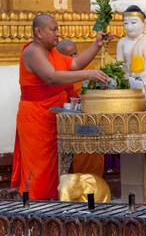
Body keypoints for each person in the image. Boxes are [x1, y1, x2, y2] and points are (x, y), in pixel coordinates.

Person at [11, 14, 114, 200]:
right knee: (39, 170)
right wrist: (88, 74)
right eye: (53, 29)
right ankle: (36, 212)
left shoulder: (52, 52)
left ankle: (51, 212)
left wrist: (96, 45)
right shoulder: (33, 51)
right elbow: (51, 77)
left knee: (55, 169)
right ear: (39, 32)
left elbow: (74, 64)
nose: (58, 34)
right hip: (36, 117)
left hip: (54, 115)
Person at [56, 39, 105, 178]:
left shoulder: (88, 68)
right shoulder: (58, 73)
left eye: (75, 54)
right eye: (68, 56)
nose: (74, 58)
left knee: (93, 153)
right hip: (70, 121)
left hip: (91, 118)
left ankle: (94, 188)